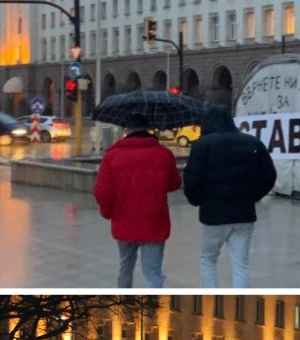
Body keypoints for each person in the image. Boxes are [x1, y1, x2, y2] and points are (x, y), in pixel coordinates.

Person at [183, 106, 278, 288]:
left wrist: (196, 200)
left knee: (208, 259)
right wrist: (254, 196)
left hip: (213, 215)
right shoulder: (253, 143)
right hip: (244, 214)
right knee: (240, 264)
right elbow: (269, 176)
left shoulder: (203, 145)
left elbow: (192, 179)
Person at [93, 112, 182, 288]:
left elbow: (102, 192)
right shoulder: (164, 154)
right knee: (153, 273)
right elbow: (174, 184)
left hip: (124, 223)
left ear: (126, 131)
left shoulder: (112, 156)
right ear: (148, 130)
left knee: (125, 267)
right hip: (154, 224)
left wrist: (107, 213)